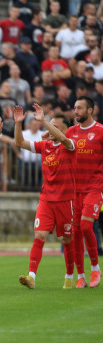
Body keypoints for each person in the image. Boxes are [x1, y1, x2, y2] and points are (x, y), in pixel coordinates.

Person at [15, 105, 76, 289]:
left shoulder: (69, 146)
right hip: (46, 200)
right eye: (50, 125)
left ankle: (69, 277)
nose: (50, 129)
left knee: (67, 239)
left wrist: (44, 121)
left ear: (63, 129)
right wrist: (18, 124)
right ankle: (31, 276)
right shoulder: (45, 146)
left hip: (65, 201)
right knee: (39, 235)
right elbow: (20, 143)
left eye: (54, 126)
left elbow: (63, 139)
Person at [67, 96, 103, 288]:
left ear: (90, 110)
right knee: (75, 231)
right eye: (75, 108)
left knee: (86, 227)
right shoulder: (71, 132)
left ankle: (95, 269)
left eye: (79, 108)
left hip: (94, 187)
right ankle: (80, 275)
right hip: (74, 190)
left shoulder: (100, 131)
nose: (76, 111)